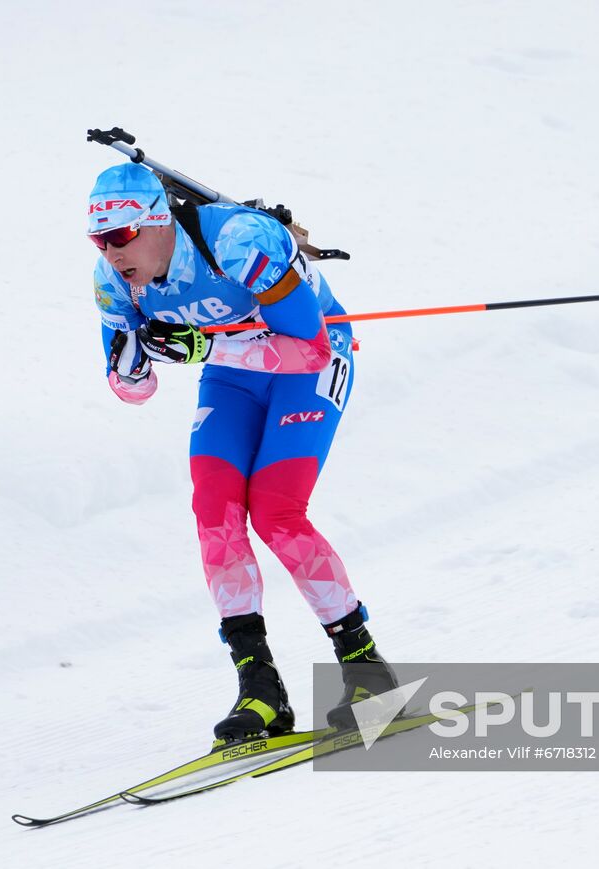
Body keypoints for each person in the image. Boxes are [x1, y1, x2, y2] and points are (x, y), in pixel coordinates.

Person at [87, 162, 399, 747]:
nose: (111, 251)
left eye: (123, 235)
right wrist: (135, 351)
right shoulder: (113, 281)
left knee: (277, 512)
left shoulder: (238, 243)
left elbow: (306, 350)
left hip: (310, 361)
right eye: (99, 239)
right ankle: (260, 688)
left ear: (159, 224)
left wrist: (202, 344)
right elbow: (135, 390)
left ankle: (368, 673)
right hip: (233, 376)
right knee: (215, 515)